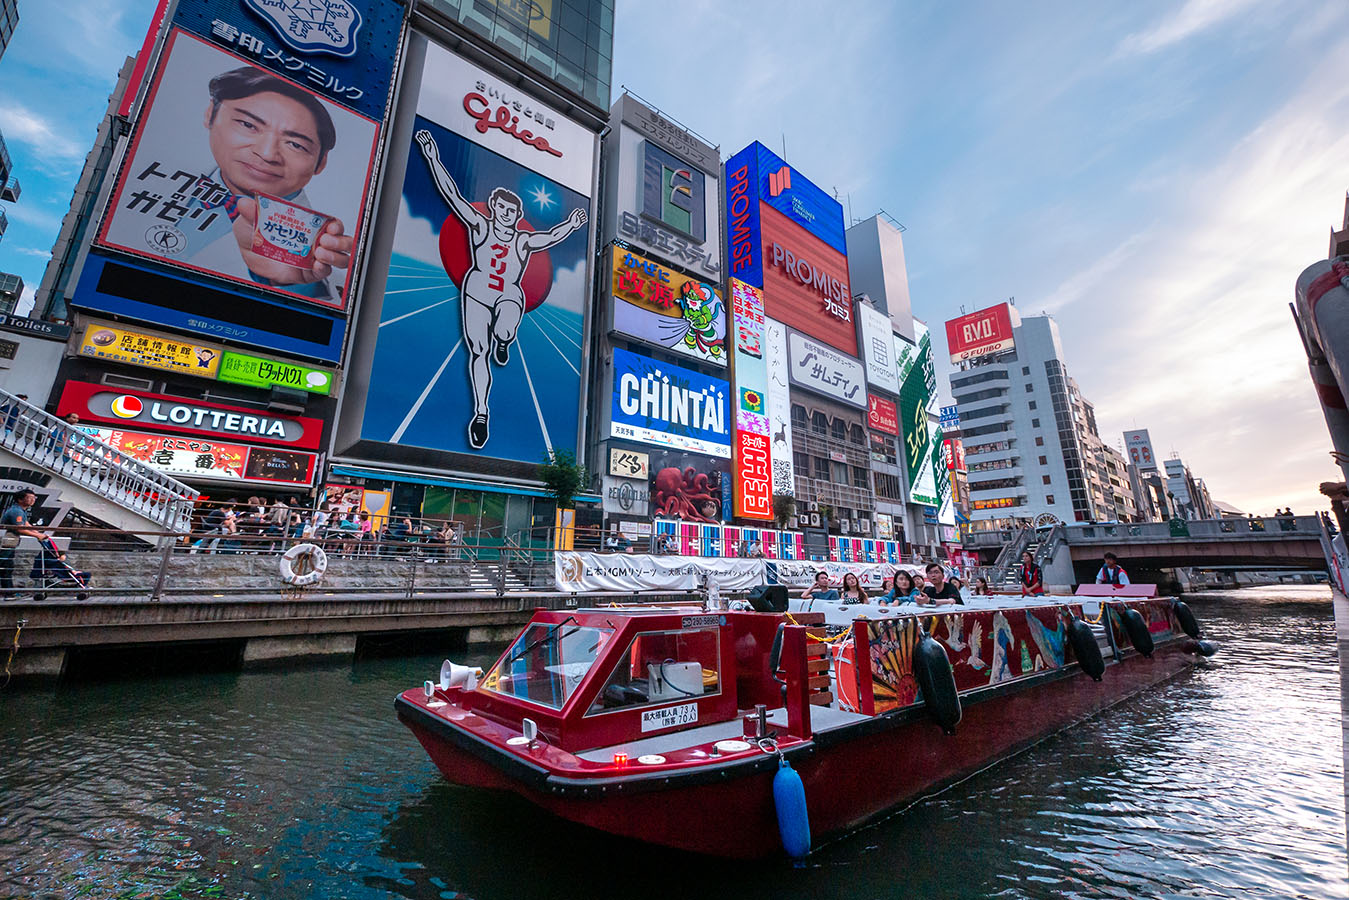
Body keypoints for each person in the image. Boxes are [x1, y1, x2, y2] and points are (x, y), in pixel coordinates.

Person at [415, 128, 587, 449]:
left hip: (508, 292)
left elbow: (549, 237)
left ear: (518, 216)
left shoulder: (522, 240)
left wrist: (572, 225)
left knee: (509, 313)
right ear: (494, 209)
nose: (506, 215)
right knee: (478, 352)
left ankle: (505, 338)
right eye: (502, 209)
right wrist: (432, 156)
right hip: (477, 290)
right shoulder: (480, 226)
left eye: (512, 212)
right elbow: (452, 194)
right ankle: (481, 412)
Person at [174, 67, 352, 301]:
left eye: (295, 145)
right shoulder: (151, 180)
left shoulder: (324, 249)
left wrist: (286, 284)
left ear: (321, 162)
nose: (267, 154)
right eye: (248, 125)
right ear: (210, 114)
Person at [1, 488, 44, 598]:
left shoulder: (20, 510)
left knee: (7, 567)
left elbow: (26, 524)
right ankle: (9, 593)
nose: (33, 500)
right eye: (30, 498)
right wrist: (37, 535)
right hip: (5, 543)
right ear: (20, 499)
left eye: (34, 498)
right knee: (5, 567)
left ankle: (9, 593)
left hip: (10, 543)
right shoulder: (16, 511)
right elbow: (20, 528)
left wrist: (38, 533)